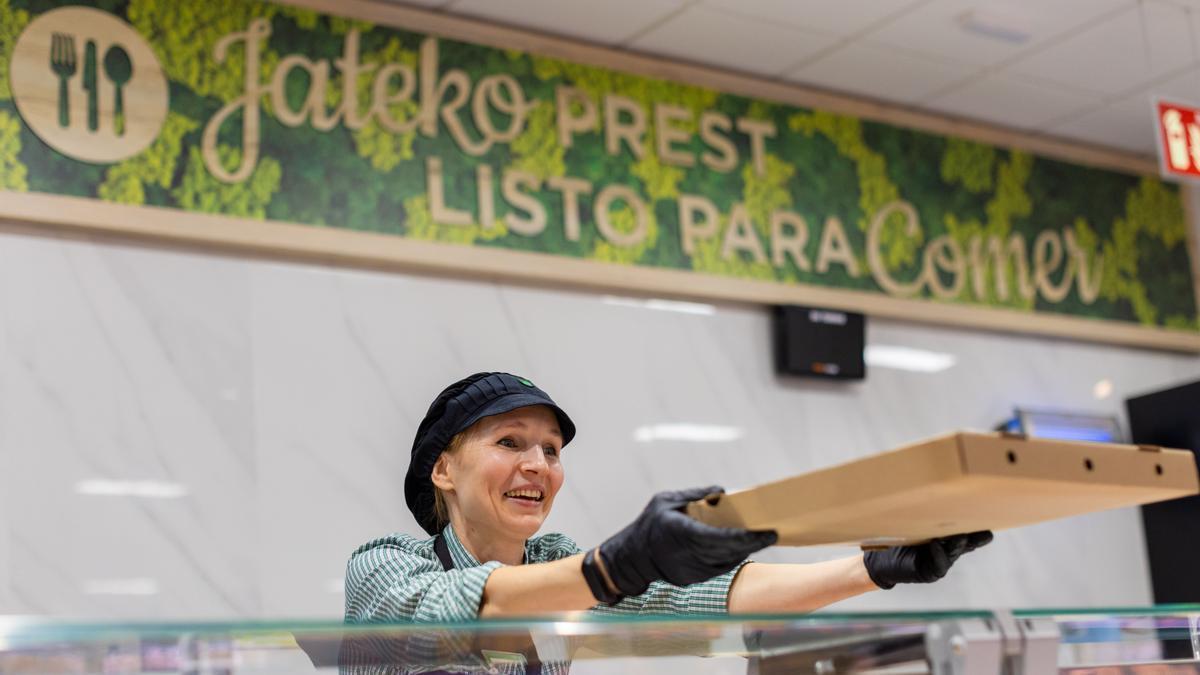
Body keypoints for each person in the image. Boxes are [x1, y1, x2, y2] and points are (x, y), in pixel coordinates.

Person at [344, 372, 991, 625]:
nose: (537, 464)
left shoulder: (557, 556)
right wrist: (613, 566)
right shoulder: (383, 565)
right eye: (511, 441)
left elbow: (707, 594)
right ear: (444, 470)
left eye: (551, 449)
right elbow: (450, 609)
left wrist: (874, 568)